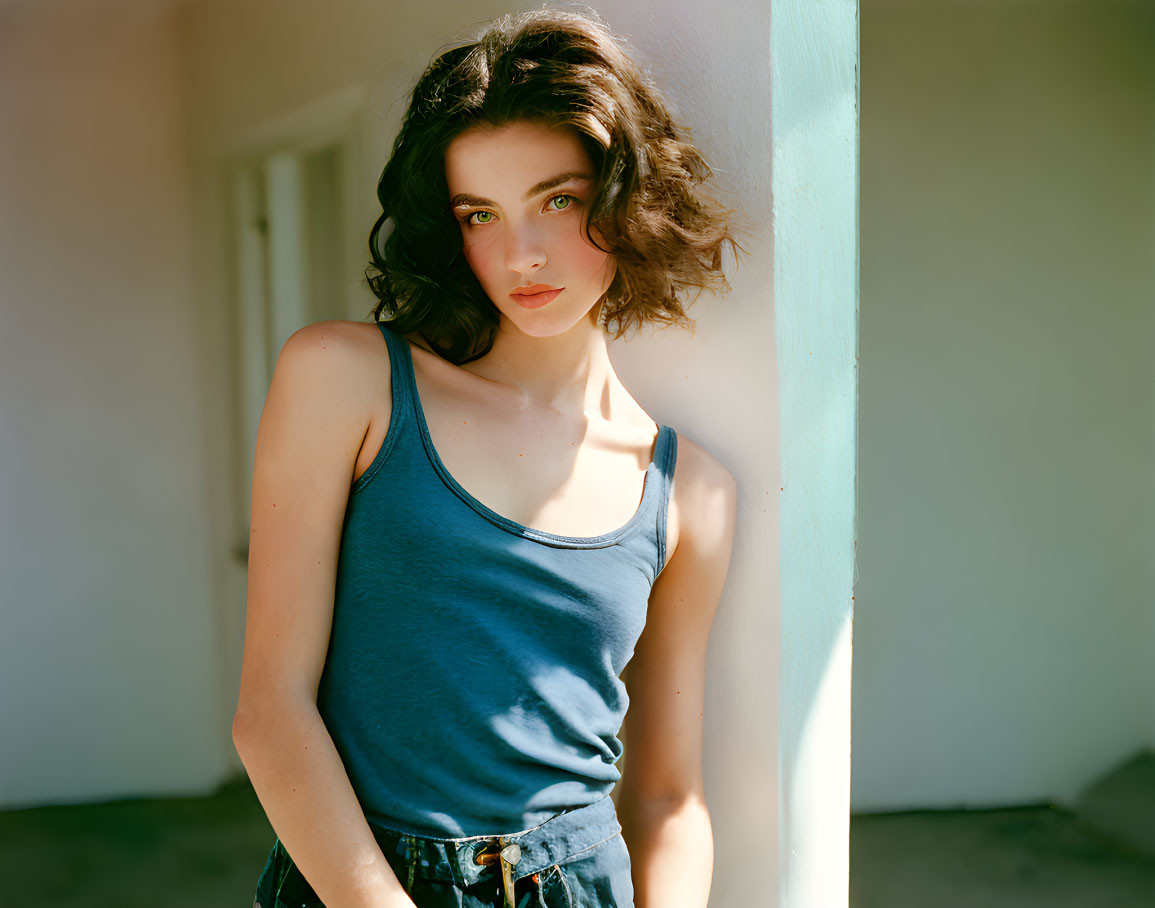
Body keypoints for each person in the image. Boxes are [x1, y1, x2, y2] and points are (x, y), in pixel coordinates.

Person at [233, 7, 742, 908]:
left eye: (559, 199)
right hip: (360, 881)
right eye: (482, 214)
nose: (521, 254)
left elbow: (667, 796)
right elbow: (270, 712)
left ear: (625, 199)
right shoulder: (346, 380)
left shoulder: (686, 490)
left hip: (578, 882)